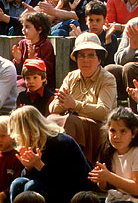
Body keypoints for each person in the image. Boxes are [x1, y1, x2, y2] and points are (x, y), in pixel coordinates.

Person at [8, 106, 92, 203]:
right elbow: (32, 176)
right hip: (49, 187)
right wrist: (28, 167)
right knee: (18, 183)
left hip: (71, 190)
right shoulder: (33, 144)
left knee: (32, 187)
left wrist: (39, 165)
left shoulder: (61, 142)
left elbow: (63, 180)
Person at [49, 33, 117, 165]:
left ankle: (73, 168)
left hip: (97, 130)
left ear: (99, 59)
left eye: (91, 55)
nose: (85, 60)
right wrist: (63, 104)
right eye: (81, 55)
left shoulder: (107, 78)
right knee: (50, 120)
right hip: (71, 126)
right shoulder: (71, 77)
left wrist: (74, 104)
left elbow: (104, 112)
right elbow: (52, 108)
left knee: (70, 121)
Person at [88, 108, 138, 203]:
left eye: (123, 131)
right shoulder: (110, 152)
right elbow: (107, 187)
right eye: (112, 131)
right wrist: (101, 179)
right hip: (118, 197)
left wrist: (109, 177)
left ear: (133, 133)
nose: (117, 136)